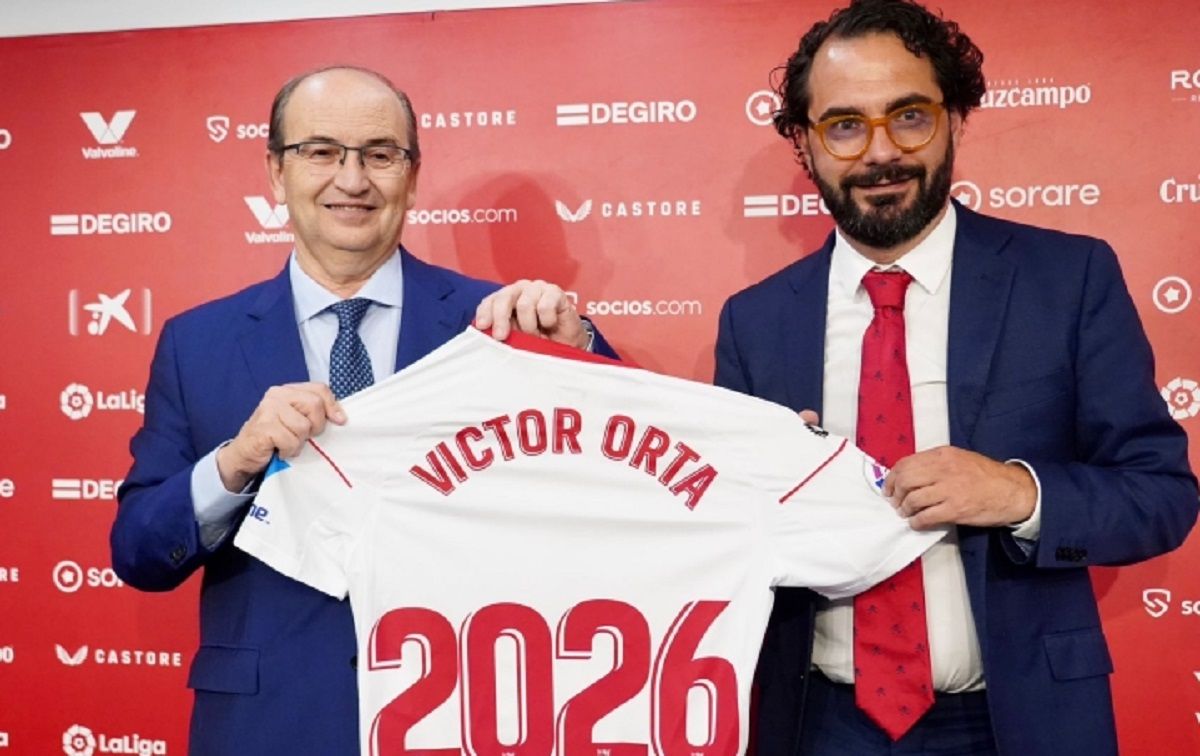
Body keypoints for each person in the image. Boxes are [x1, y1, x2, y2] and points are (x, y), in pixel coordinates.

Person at [714, 2, 1197, 754]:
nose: (880, 153)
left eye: (908, 115)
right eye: (844, 125)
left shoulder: (1067, 279)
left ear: (956, 119)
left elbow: (1161, 497)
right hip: (819, 725)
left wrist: (1018, 493)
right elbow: (719, 528)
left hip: (1020, 721)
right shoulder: (754, 322)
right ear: (806, 145)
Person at [110, 65, 614, 756]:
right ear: (274, 171)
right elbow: (139, 551)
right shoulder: (197, 342)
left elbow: (626, 477)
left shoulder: (497, 321)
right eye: (321, 152)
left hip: (467, 718)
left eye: (380, 154)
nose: (352, 180)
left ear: (412, 173)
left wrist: (580, 352)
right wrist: (236, 461)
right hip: (267, 726)